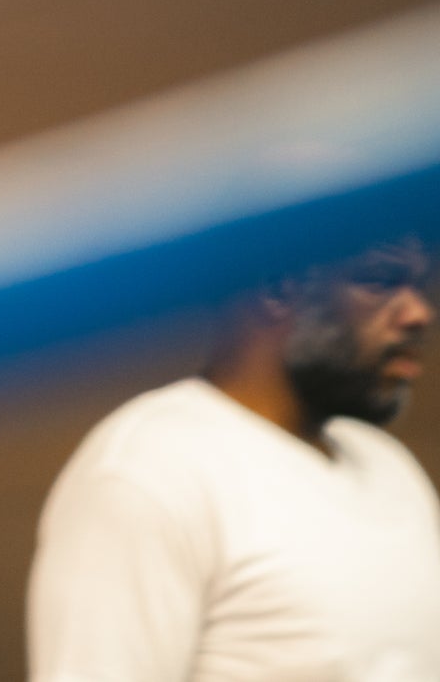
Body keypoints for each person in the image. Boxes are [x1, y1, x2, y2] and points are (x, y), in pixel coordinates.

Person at [28, 235, 440, 681]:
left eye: (421, 287)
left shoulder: (388, 465)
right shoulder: (147, 470)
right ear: (277, 286)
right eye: (380, 281)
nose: (420, 314)